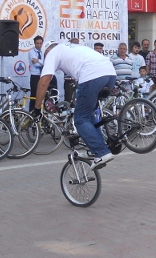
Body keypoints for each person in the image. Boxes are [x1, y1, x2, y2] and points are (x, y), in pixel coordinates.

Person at [32, 42, 117, 170]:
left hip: (92, 75)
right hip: (110, 73)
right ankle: (96, 148)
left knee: (80, 119)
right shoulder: (71, 47)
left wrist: (37, 108)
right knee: (89, 114)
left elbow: (44, 82)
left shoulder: (52, 53)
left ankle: (102, 152)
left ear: (47, 51)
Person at [28, 36, 45, 110]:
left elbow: (46, 63)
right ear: (34, 43)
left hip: (42, 75)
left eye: (40, 43)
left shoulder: (43, 52)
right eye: (37, 43)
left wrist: (38, 60)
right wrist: (41, 62)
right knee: (34, 94)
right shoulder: (31, 52)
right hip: (35, 75)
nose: (39, 45)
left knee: (43, 94)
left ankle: (41, 111)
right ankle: (32, 111)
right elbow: (34, 63)